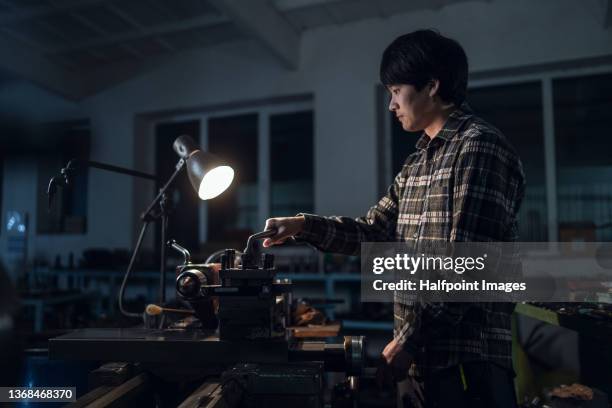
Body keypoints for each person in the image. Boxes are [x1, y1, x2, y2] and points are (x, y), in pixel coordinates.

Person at [263, 29, 525, 407]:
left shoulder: (479, 146)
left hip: (467, 362)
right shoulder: (417, 164)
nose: (391, 105)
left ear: (431, 86)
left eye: (396, 91)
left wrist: (407, 340)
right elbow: (372, 233)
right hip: (421, 360)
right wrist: (303, 225)